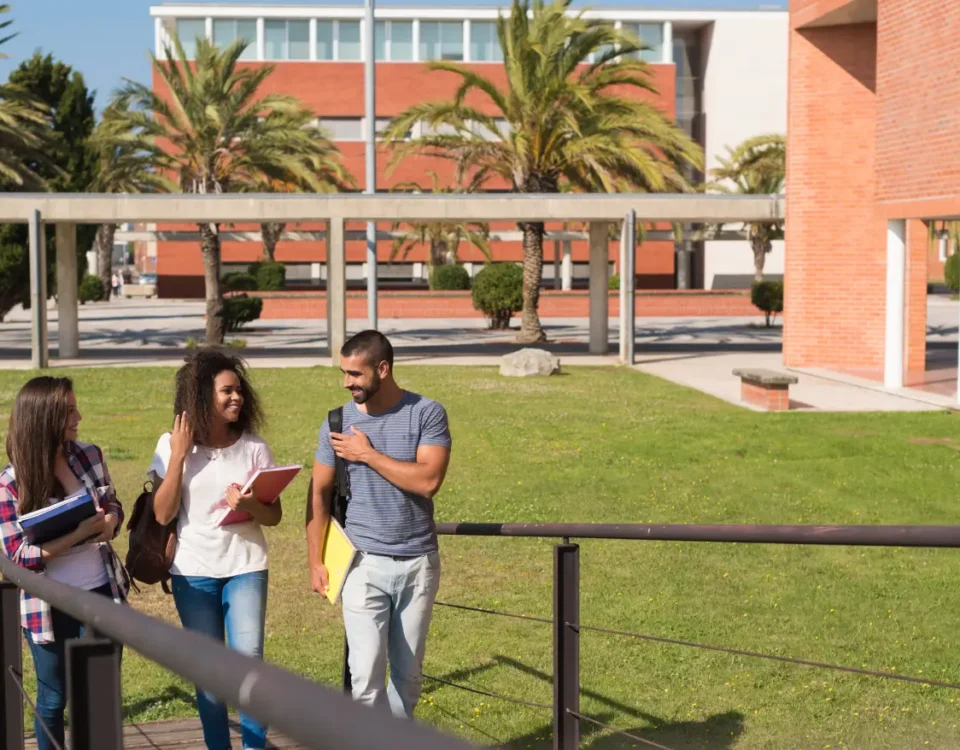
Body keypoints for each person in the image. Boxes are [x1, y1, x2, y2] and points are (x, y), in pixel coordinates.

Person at [307, 330, 452, 719]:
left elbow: (428, 481)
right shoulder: (337, 422)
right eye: (344, 372)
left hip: (417, 563)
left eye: (355, 373)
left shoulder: (426, 413)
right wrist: (315, 561)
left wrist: (368, 455)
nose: (346, 382)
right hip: (361, 564)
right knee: (365, 677)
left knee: (407, 679)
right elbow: (318, 494)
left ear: (382, 369)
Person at [148, 350, 281, 750]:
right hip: (193, 571)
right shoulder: (170, 445)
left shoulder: (255, 448)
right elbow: (162, 512)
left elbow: (272, 516)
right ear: (201, 396)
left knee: (248, 668)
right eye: (226, 391)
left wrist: (249, 506)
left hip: (246, 567)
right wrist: (177, 457)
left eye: (239, 390)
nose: (236, 397)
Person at [0, 376, 128, 750]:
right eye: (69, 410)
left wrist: (111, 522)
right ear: (44, 418)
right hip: (48, 606)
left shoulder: (89, 455)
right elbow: (18, 555)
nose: (79, 416)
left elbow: (113, 504)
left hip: (101, 593)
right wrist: (78, 533)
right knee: (53, 701)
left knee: (101, 696)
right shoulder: (10, 484)